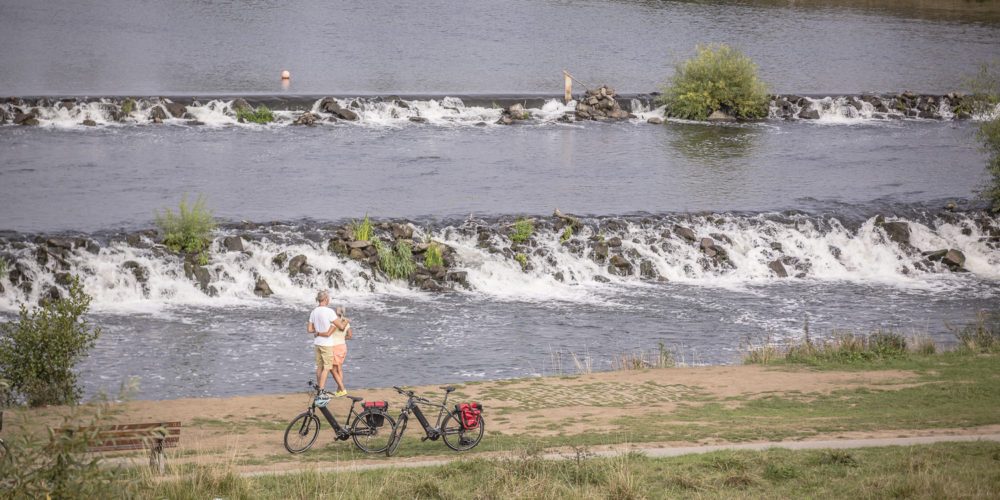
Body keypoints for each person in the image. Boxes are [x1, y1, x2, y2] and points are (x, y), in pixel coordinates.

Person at [307, 290, 349, 395]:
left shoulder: (314, 311)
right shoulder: (329, 311)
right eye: (328, 298)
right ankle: (321, 391)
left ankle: (319, 390)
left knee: (319, 367)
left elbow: (309, 329)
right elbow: (341, 326)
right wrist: (347, 321)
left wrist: (318, 332)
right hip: (327, 344)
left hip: (317, 343)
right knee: (327, 367)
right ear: (326, 299)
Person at [327, 306, 354, 396]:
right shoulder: (346, 323)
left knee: (332, 369)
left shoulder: (334, 322)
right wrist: (342, 337)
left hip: (335, 347)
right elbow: (350, 336)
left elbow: (329, 333)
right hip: (343, 346)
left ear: (335, 312)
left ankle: (342, 389)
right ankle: (339, 391)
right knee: (339, 369)